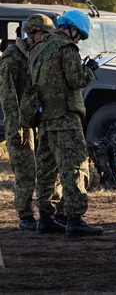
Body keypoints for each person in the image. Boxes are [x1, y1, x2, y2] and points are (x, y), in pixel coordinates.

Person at [31, 9, 102, 237]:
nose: (78, 39)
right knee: (74, 167)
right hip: (65, 119)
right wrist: (90, 70)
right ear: (71, 29)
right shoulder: (66, 48)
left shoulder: (38, 47)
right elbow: (76, 80)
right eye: (79, 35)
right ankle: (75, 219)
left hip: (44, 119)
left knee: (46, 170)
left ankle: (45, 218)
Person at [0, 13, 54, 230]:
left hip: (39, 119)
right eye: (44, 34)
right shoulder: (12, 57)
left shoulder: (39, 54)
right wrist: (15, 128)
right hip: (21, 121)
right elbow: (7, 95)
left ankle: (48, 211)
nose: (47, 38)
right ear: (32, 34)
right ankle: (24, 215)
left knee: (46, 168)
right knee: (25, 169)